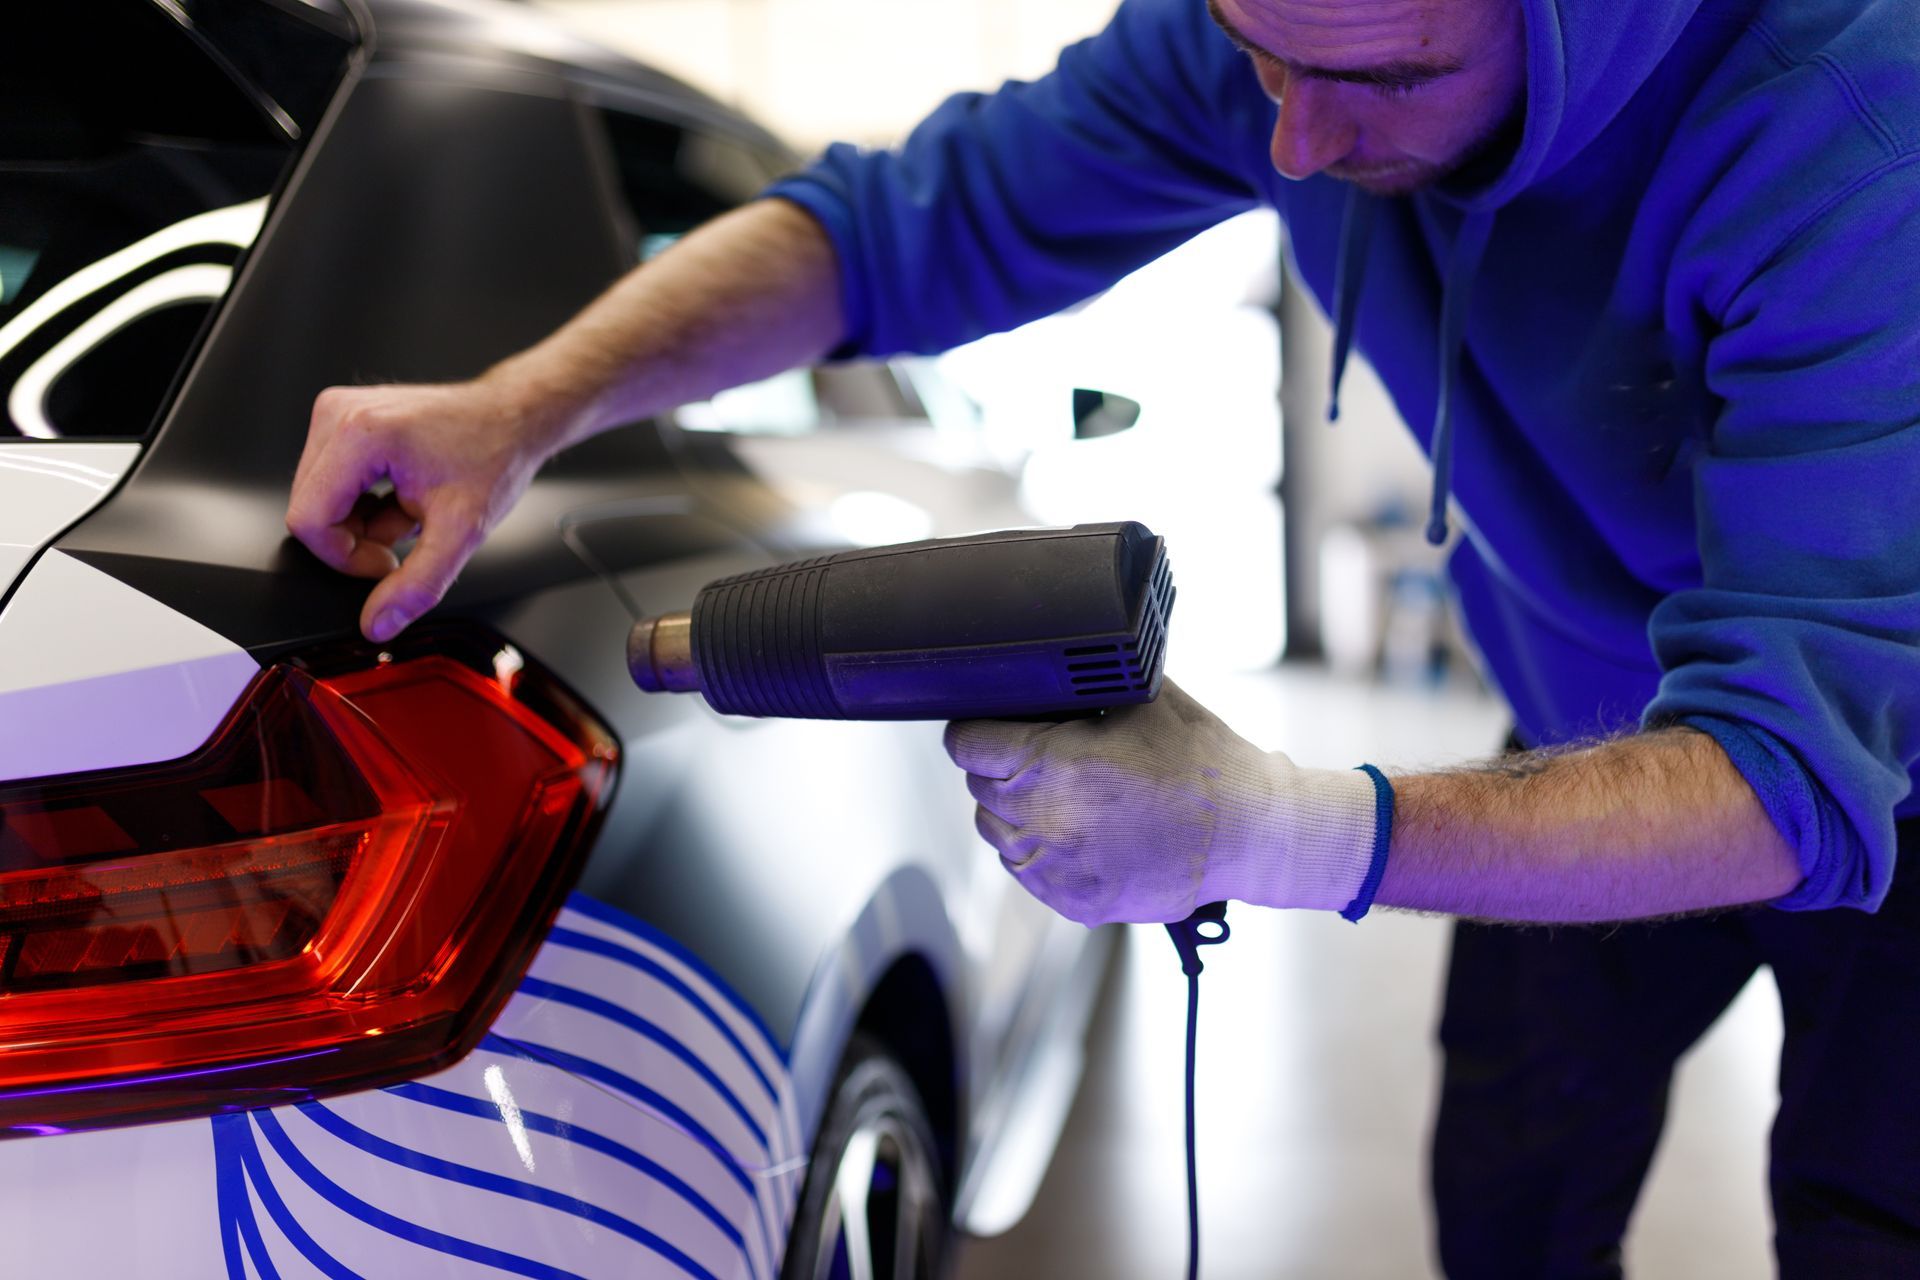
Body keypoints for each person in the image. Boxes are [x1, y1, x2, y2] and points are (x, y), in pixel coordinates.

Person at [286, 0, 1920, 1272]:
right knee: (1508, 1197)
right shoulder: (1304, 45)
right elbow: (905, 226)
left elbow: (1788, 776)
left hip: (1875, 759)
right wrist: (518, 408)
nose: (1290, 141)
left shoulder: (1856, 142)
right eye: (1253, 53)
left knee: (1864, 1228)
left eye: (1385, 77)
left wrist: (1280, 826)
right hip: (1581, 700)